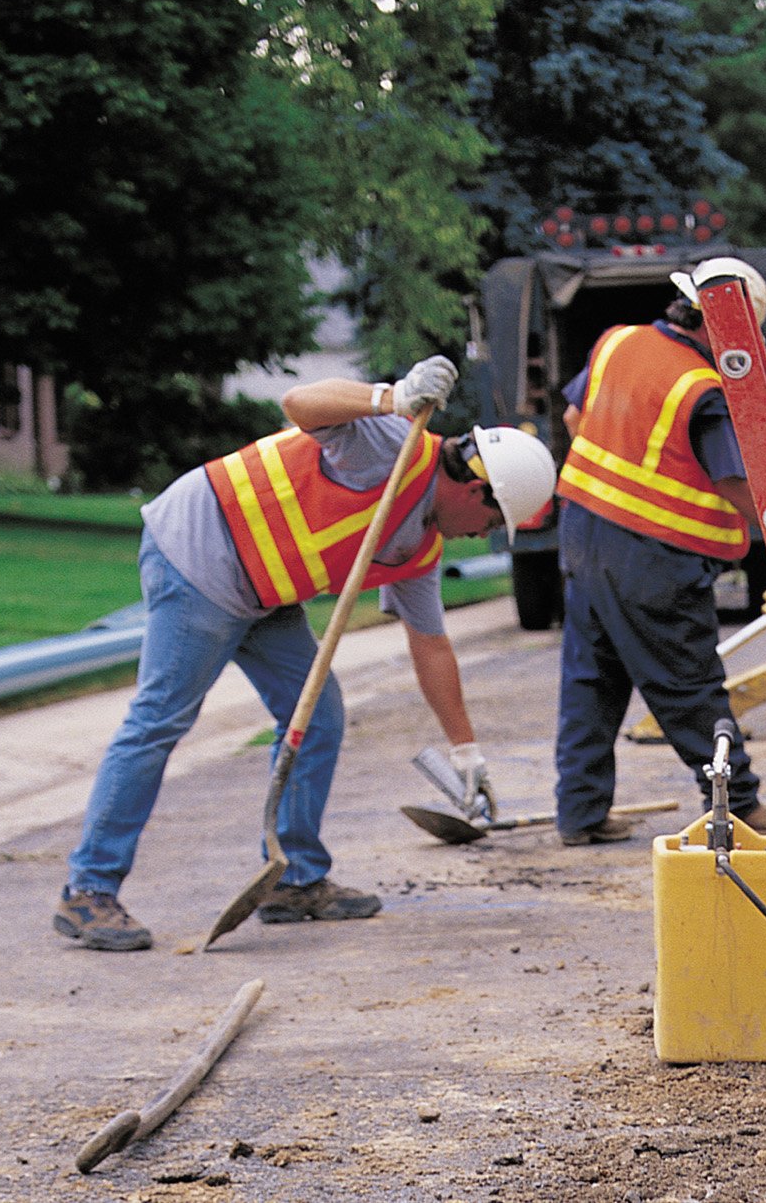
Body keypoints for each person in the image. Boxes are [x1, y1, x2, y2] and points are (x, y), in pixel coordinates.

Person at [56, 357, 560, 951]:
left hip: (265, 592)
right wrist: (391, 397)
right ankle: (88, 891)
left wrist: (465, 749)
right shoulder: (395, 445)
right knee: (160, 719)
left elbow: (431, 645)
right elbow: (301, 403)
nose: (483, 537)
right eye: (491, 524)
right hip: (200, 556)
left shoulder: (420, 543)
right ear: (476, 490)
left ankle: (294, 881)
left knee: (318, 717)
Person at [550, 257, 766, 846]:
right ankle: (738, 806)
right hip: (652, 555)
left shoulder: (618, 341)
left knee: (592, 678)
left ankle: (579, 814)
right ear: (729, 325)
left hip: (583, 536)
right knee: (689, 684)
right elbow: (736, 480)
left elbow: (572, 414)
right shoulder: (702, 388)